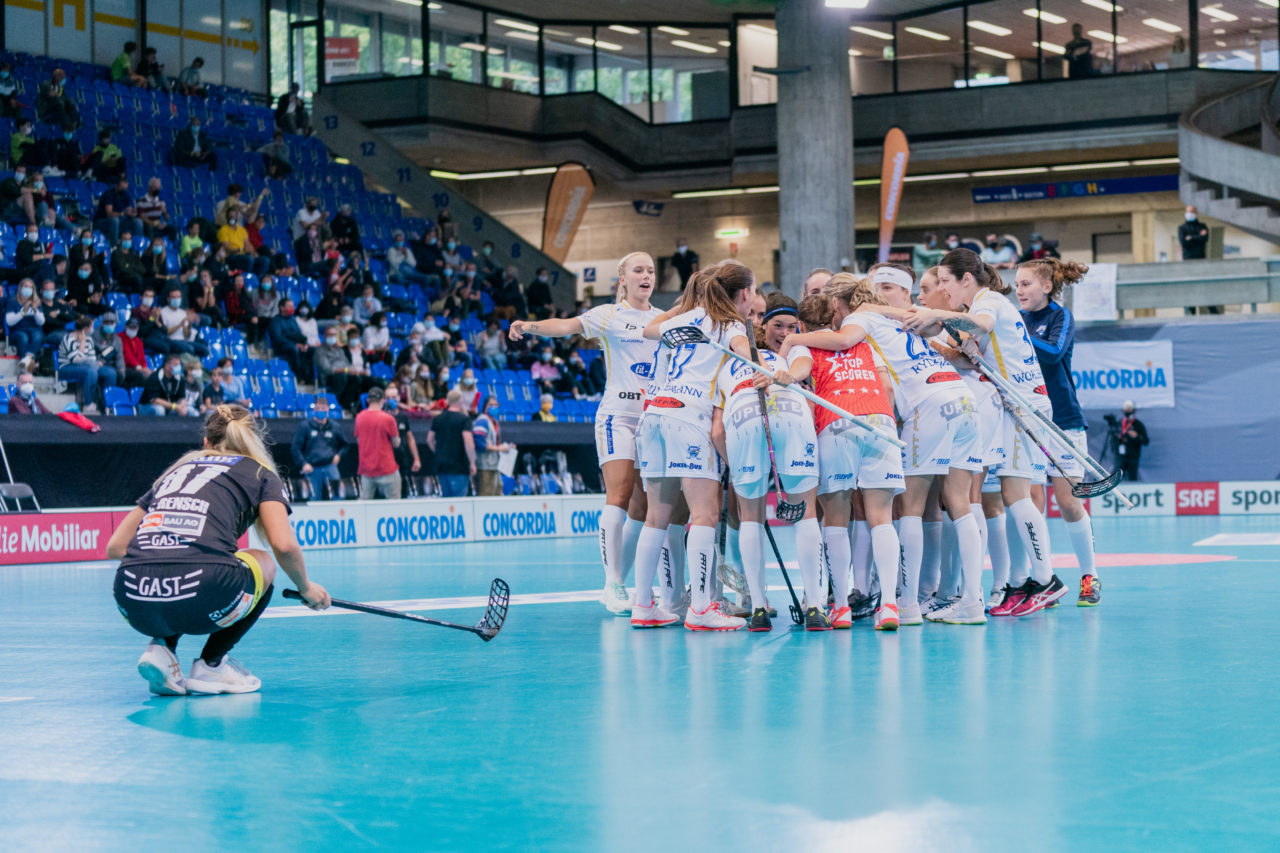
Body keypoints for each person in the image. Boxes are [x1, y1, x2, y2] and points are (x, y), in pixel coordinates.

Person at [106, 405, 331, 695]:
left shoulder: (175, 474)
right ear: (252, 442)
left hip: (132, 602)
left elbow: (116, 547)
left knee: (176, 562)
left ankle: (162, 647)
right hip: (205, 595)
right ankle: (211, 666)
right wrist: (307, 588)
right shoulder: (260, 473)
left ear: (205, 443)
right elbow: (283, 545)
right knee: (262, 562)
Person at [903, 248, 1068, 617]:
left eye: (946, 281)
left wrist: (936, 314)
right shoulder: (976, 307)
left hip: (1022, 404)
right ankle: (1038, 578)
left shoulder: (988, 300)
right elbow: (973, 353)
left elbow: (984, 325)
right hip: (1019, 403)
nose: (944, 289)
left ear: (966, 279)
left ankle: (1045, 579)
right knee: (1015, 494)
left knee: (1017, 495)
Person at [631, 261, 756, 631]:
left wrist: (689, 303)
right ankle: (701, 608)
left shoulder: (682, 320)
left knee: (657, 516)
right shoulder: (732, 324)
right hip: (690, 417)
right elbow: (745, 359)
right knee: (705, 514)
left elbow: (650, 329)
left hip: (654, 415)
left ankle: (643, 606)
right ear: (745, 293)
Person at [712, 292, 825, 632]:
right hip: (792, 419)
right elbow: (803, 368)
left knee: (751, 516)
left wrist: (737, 466)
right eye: (779, 325)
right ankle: (816, 606)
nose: (785, 332)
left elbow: (717, 431)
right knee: (806, 514)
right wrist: (788, 375)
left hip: (743, 425)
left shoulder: (726, 361)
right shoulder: (795, 351)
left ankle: (758, 607)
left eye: (792, 326)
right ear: (763, 324)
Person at [1017, 257, 1102, 606]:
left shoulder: (1060, 317)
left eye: (1026, 284)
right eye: (1017, 284)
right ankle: (1044, 579)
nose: (1018, 291)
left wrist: (1016, 335)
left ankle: (1089, 575)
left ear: (1047, 287)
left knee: (1068, 503)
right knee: (1033, 503)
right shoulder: (1018, 321)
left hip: (1064, 420)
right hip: (1029, 420)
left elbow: (1052, 355)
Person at [291, 396, 348, 500]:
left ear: (328, 409)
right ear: (314, 410)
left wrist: (339, 456)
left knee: (338, 496)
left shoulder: (335, 426)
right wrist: (303, 463)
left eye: (323, 408)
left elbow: (345, 445)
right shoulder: (305, 426)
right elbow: (295, 448)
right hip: (312, 468)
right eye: (318, 408)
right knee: (313, 498)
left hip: (330, 466)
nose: (320, 410)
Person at [58, 316, 115, 413]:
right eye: (92, 327)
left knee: (110, 372)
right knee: (91, 371)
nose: (93, 329)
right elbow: (75, 359)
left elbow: (92, 358)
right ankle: (88, 403)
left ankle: (107, 404)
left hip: (87, 367)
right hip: (66, 368)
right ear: (85, 329)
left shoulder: (89, 340)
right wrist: (82, 344)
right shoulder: (68, 339)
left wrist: (95, 363)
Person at [354, 386, 401, 499]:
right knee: (394, 504)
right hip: (386, 468)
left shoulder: (359, 417)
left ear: (368, 400)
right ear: (383, 400)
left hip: (366, 469)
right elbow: (396, 443)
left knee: (364, 504)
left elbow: (358, 440)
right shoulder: (388, 419)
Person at [427, 389, 476, 498]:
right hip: (459, 466)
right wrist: (472, 461)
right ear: (460, 401)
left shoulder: (438, 418)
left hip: (442, 465)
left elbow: (429, 439)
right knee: (458, 500)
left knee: (446, 498)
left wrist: (438, 451)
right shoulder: (464, 419)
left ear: (447, 401)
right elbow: (468, 441)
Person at [382, 385, 421, 492]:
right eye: (388, 398)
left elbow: (410, 438)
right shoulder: (381, 416)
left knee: (403, 490)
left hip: (402, 459)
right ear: (384, 399)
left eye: (394, 397)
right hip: (386, 461)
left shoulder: (403, 416)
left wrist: (416, 458)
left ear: (399, 398)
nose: (392, 400)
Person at [472, 396, 513, 496]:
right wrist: (499, 448)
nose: (494, 407)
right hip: (484, 466)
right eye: (491, 405)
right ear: (485, 407)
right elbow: (478, 443)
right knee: (486, 495)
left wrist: (506, 446)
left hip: (494, 465)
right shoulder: (482, 421)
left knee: (498, 493)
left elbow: (493, 441)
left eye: (496, 405)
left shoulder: (494, 421)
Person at [5, 279, 45, 374]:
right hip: (17, 330)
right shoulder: (12, 301)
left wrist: (35, 310)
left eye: (30, 287)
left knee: (38, 336)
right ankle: (30, 366)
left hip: (33, 329)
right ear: (20, 288)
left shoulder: (36, 302)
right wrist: (23, 311)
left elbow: (41, 322)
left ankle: (26, 361)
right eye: (25, 287)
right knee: (24, 338)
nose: (28, 289)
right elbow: (9, 321)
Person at [95, 176, 145, 246]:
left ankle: (138, 246)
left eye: (125, 188)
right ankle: (114, 246)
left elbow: (129, 210)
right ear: (116, 186)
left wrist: (133, 213)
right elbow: (109, 213)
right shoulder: (108, 195)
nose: (124, 190)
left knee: (137, 222)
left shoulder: (126, 195)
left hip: (120, 221)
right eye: (122, 188)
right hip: (103, 221)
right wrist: (123, 213)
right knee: (115, 220)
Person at [268, 298, 311, 379]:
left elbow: (299, 335)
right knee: (293, 349)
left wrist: (304, 344)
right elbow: (278, 338)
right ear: (282, 308)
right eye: (289, 306)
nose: (292, 308)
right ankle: (298, 376)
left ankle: (310, 378)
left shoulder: (292, 320)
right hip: (282, 347)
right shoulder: (275, 321)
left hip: (296, 345)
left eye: (292, 306)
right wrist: (295, 344)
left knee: (310, 349)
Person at [1115, 400, 1149, 482]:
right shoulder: (1119, 423)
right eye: (1125, 410)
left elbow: (1146, 441)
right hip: (1120, 456)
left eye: (1129, 410)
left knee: (1132, 478)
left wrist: (1137, 436)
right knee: (1117, 478)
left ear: (1133, 410)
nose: (1127, 412)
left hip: (1133, 457)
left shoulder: (1138, 424)